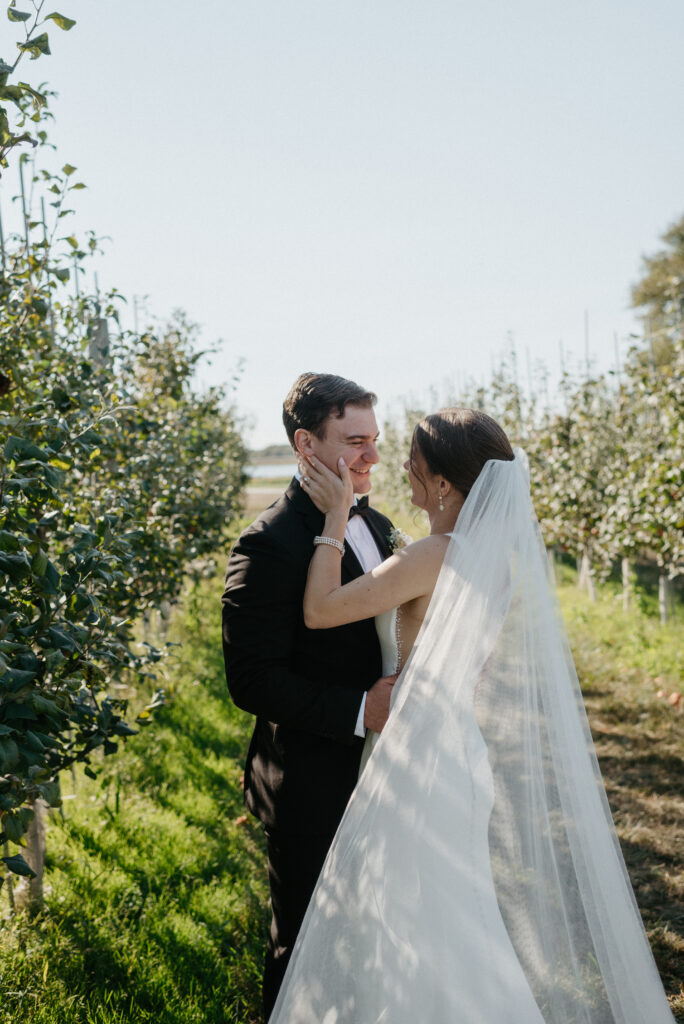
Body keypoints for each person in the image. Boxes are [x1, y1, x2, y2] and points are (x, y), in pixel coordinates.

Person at [268, 407, 676, 1024]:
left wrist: (332, 518)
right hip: (456, 748)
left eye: (415, 459)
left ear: (442, 485)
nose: (400, 464)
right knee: (445, 918)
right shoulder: (490, 560)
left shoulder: (433, 554)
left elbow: (322, 611)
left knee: (413, 926)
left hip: (416, 756)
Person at [221, 372, 397, 1019]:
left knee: (374, 939)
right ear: (306, 444)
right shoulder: (268, 544)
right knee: (304, 949)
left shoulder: (373, 521)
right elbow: (252, 680)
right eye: (355, 442)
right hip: (309, 784)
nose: (373, 457)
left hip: (384, 774)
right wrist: (360, 711)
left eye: (375, 440)